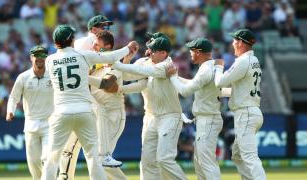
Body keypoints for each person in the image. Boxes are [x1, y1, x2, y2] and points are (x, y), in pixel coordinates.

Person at [41, 24, 138, 180]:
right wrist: (128, 47)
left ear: (55, 43)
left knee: (52, 158)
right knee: (94, 158)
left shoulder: (50, 60)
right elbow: (111, 57)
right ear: (71, 40)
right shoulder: (84, 55)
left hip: (61, 112)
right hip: (85, 112)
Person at [112, 33, 187, 180]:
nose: (149, 52)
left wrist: (114, 62)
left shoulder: (167, 66)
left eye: (153, 50)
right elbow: (127, 76)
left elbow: (143, 72)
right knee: (147, 162)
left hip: (170, 116)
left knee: (164, 159)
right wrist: (127, 59)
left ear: (163, 53)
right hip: (150, 117)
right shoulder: (144, 61)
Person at [58, 15, 118, 180]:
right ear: (93, 29)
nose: (107, 30)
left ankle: (64, 176)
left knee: (79, 145)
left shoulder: (95, 46)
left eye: (108, 27)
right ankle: (64, 176)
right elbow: (83, 69)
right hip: (82, 99)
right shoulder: (87, 42)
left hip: (83, 98)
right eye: (103, 27)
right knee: (77, 144)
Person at [165, 38, 223, 180]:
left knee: (206, 163)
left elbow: (185, 92)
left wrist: (172, 78)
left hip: (208, 119)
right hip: (207, 119)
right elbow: (193, 84)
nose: (190, 53)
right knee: (200, 163)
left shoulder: (206, 70)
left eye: (191, 50)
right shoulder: (210, 67)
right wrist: (176, 77)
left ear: (198, 52)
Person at [214, 29, 266, 180]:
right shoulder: (254, 60)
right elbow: (240, 90)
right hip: (251, 112)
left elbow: (220, 81)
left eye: (234, 40)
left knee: (249, 157)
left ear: (241, 42)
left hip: (246, 113)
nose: (232, 44)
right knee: (237, 155)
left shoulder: (243, 61)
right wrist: (221, 94)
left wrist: (218, 67)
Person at [6, 45, 53, 180]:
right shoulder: (23, 77)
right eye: (36, 56)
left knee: (48, 158)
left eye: (43, 56)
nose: (40, 58)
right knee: (33, 163)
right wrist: (10, 111)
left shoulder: (53, 75)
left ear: (46, 58)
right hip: (31, 124)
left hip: (50, 123)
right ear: (31, 58)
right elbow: (14, 97)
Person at [88, 30, 128, 180]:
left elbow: (107, 85)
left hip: (113, 116)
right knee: (98, 160)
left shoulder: (115, 64)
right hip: (99, 115)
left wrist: (85, 77)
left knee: (101, 160)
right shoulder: (96, 65)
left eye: (97, 44)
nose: (93, 46)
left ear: (108, 46)